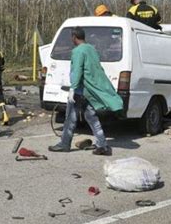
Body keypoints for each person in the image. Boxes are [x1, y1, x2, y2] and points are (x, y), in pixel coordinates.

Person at [49, 27, 123, 155]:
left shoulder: (78, 51)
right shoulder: (91, 48)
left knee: (70, 118)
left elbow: (78, 70)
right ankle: (102, 145)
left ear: (74, 37)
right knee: (92, 118)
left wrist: (73, 88)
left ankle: (64, 144)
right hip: (88, 91)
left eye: (71, 37)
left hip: (80, 91)